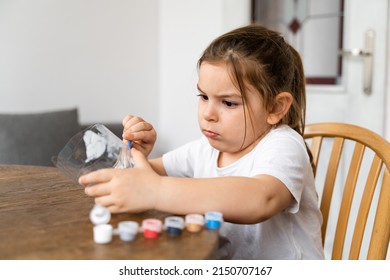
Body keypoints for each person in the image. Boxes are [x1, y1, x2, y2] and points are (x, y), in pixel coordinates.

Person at [79, 24, 324, 260]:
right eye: (204, 96)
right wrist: (136, 155)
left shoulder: (283, 145)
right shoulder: (204, 150)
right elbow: (135, 178)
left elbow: (262, 199)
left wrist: (155, 191)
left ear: (275, 107)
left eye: (228, 103)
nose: (208, 113)